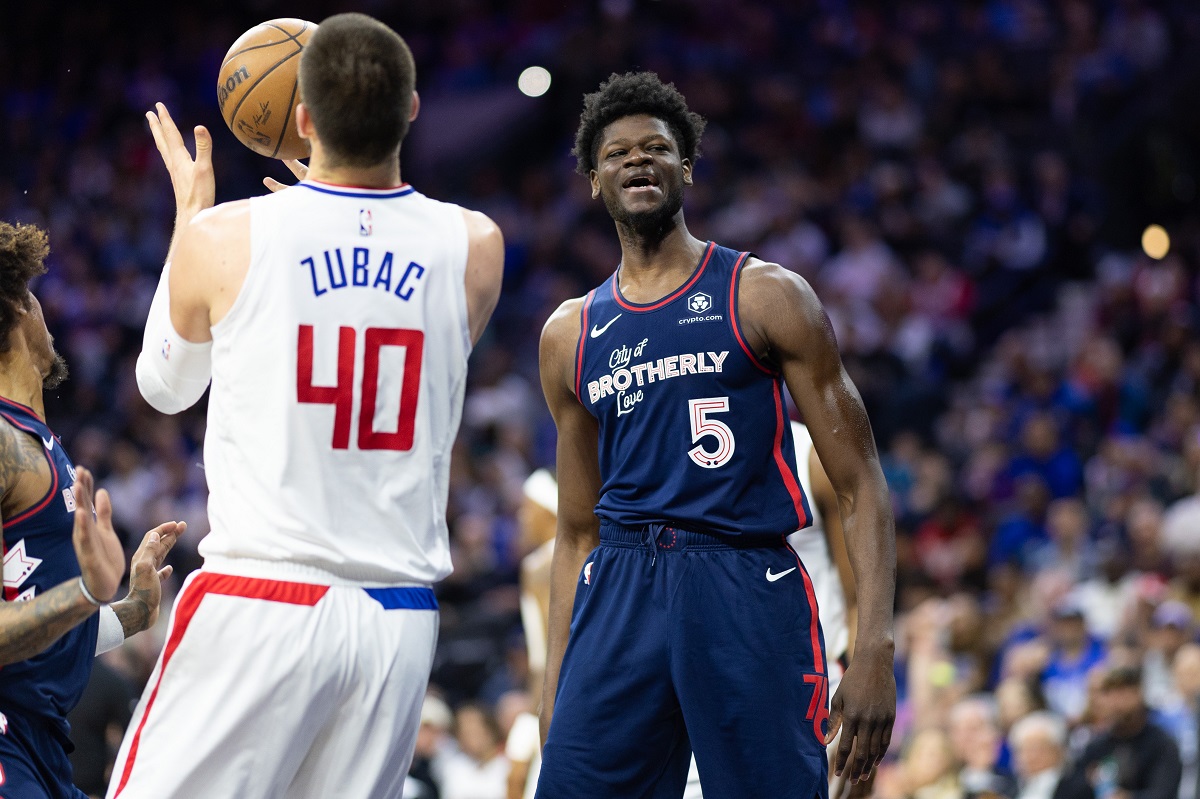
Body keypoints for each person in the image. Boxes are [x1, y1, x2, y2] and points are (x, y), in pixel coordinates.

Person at [107, 13, 504, 799]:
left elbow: (165, 387)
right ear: (414, 108)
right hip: (398, 620)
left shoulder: (226, 235)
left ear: (298, 119)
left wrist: (191, 218)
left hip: (265, 598)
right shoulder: (476, 246)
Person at [537, 72, 896, 798]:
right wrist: (556, 689)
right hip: (620, 591)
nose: (638, 160)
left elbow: (860, 484)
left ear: (687, 167)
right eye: (617, 153)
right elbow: (575, 533)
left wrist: (875, 647)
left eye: (657, 147)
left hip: (742, 581)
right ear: (594, 181)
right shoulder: (570, 332)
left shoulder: (765, 293)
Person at [0, 220, 181, 798]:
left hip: (41, 745)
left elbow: (39, 631)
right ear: (16, 308)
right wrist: (87, 591)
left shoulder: (36, 442)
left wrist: (133, 612)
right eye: (36, 297)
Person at [683, 421, 860, 799]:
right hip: (708, 679)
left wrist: (859, 674)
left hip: (810, 676)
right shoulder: (671, 448)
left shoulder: (812, 453)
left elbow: (856, 593)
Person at [1055, 664, 1181, 799]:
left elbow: (1164, 793)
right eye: (1110, 693)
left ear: (1138, 693)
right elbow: (1065, 792)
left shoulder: (1161, 744)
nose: (1115, 703)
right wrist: (1088, 781)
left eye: (1122, 692)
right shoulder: (1097, 746)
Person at [1009, 712, 1067, 799]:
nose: (1031, 756)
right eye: (1025, 750)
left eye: (1037, 748)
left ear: (1057, 750)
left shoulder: (1075, 788)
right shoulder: (1009, 789)